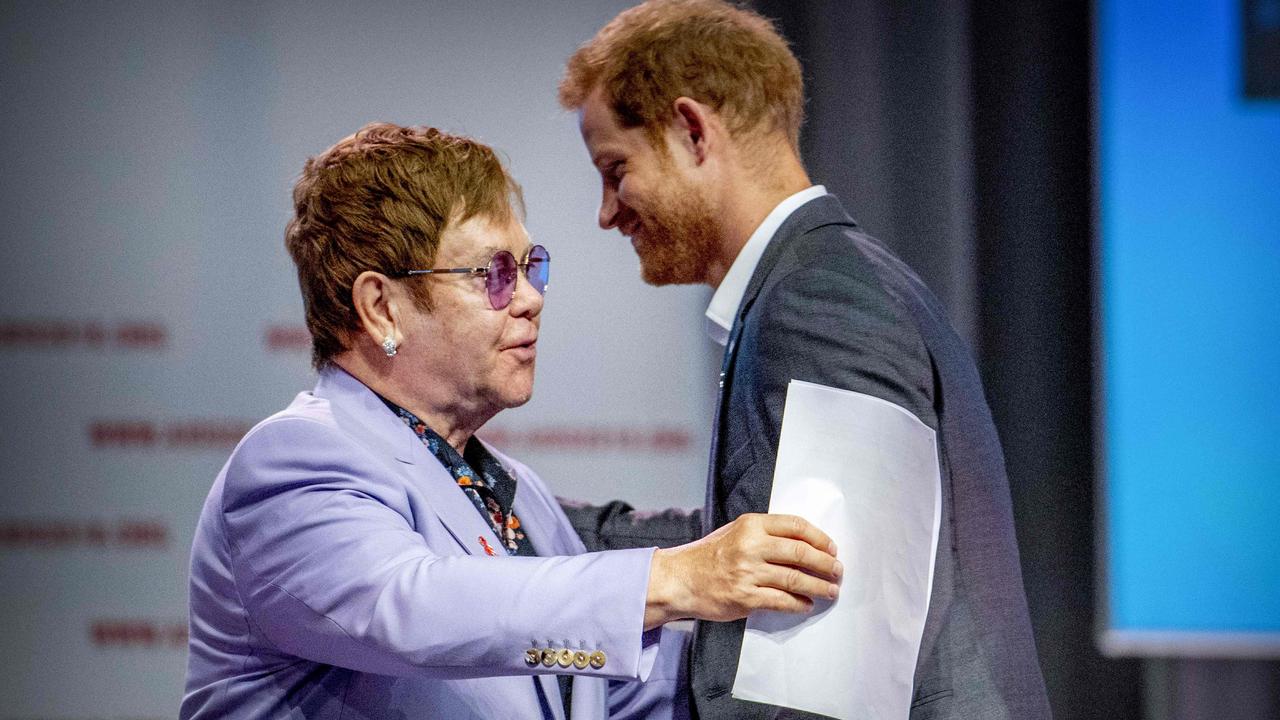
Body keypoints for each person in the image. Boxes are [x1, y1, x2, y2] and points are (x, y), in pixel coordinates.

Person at [180, 123, 842, 720]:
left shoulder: (508, 491)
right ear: (381, 307)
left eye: (529, 268)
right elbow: (412, 607)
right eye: (492, 274)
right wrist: (678, 577)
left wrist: (803, 653)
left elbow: (598, 686)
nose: (528, 299)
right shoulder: (294, 462)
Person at [557, 2, 1052, 718]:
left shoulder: (814, 302)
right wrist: (527, 516)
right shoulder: (823, 282)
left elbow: (825, 659)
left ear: (693, 131)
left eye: (615, 169)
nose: (608, 212)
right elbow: (764, 549)